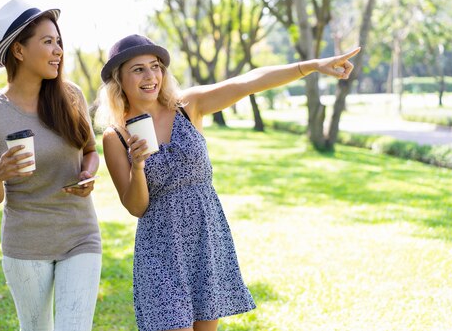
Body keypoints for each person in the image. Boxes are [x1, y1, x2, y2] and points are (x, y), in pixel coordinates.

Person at [96, 34, 360, 331]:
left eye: (155, 66)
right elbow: (136, 207)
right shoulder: (115, 136)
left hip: (205, 239)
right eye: (138, 69)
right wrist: (139, 165)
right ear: (119, 79)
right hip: (160, 250)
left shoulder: (188, 106)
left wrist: (312, 65)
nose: (150, 76)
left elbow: (249, 82)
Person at [0, 0, 102, 331]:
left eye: (59, 42)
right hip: (25, 243)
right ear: (18, 51)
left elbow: (90, 150)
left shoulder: (70, 95)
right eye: (48, 42)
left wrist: (88, 173)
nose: (58, 50)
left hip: (80, 233)